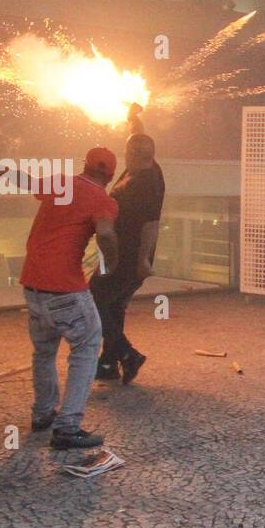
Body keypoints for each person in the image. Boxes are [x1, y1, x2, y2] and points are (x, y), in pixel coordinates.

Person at [0, 147, 119, 449]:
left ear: (84, 166)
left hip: (33, 285)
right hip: (65, 288)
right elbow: (104, 233)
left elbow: (20, 179)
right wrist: (111, 262)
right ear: (111, 176)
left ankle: (42, 413)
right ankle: (67, 427)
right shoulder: (104, 200)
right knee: (87, 345)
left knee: (44, 350)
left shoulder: (60, 182)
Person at [91, 103, 165, 385]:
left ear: (133, 154)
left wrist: (143, 260)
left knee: (95, 299)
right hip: (119, 255)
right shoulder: (146, 165)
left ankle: (126, 353)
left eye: (126, 152)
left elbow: (151, 224)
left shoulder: (146, 183)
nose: (124, 155)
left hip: (127, 258)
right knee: (114, 305)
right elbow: (139, 138)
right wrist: (134, 118)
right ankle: (109, 363)